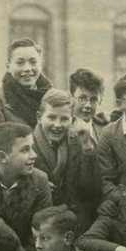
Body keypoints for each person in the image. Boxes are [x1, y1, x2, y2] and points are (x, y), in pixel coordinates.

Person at [0, 122, 52, 250]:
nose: (34, 155)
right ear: (2, 157)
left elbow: (41, 227)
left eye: (32, 148)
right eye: (25, 150)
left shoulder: (40, 180)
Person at [31, 89, 101, 232]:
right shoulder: (27, 145)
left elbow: (91, 189)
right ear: (39, 117)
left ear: (73, 121)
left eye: (64, 119)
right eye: (51, 117)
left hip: (73, 221)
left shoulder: (78, 142)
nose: (57, 125)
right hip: (38, 222)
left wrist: (87, 147)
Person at [0, 38, 54, 161]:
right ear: (8, 66)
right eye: (20, 63)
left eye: (33, 62)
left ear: (41, 64)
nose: (27, 68)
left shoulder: (52, 97)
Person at [69, 68, 112, 139]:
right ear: (71, 98)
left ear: (100, 101)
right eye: (82, 98)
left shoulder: (106, 128)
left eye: (94, 100)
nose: (88, 105)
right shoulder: (62, 128)